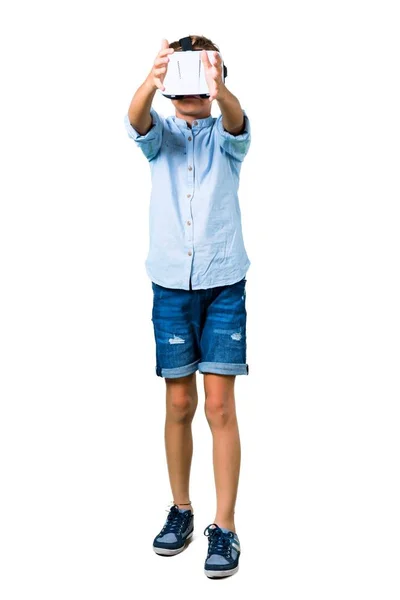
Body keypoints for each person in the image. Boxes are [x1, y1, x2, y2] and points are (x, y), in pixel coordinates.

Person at [124, 35, 251, 579]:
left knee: (220, 407)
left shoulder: (227, 133)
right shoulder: (164, 135)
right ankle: (181, 509)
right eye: (183, 76)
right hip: (171, 285)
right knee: (179, 403)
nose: (190, 88)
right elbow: (135, 121)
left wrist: (220, 90)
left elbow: (239, 122)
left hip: (224, 283)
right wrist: (152, 81)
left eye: (199, 75)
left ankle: (224, 526)